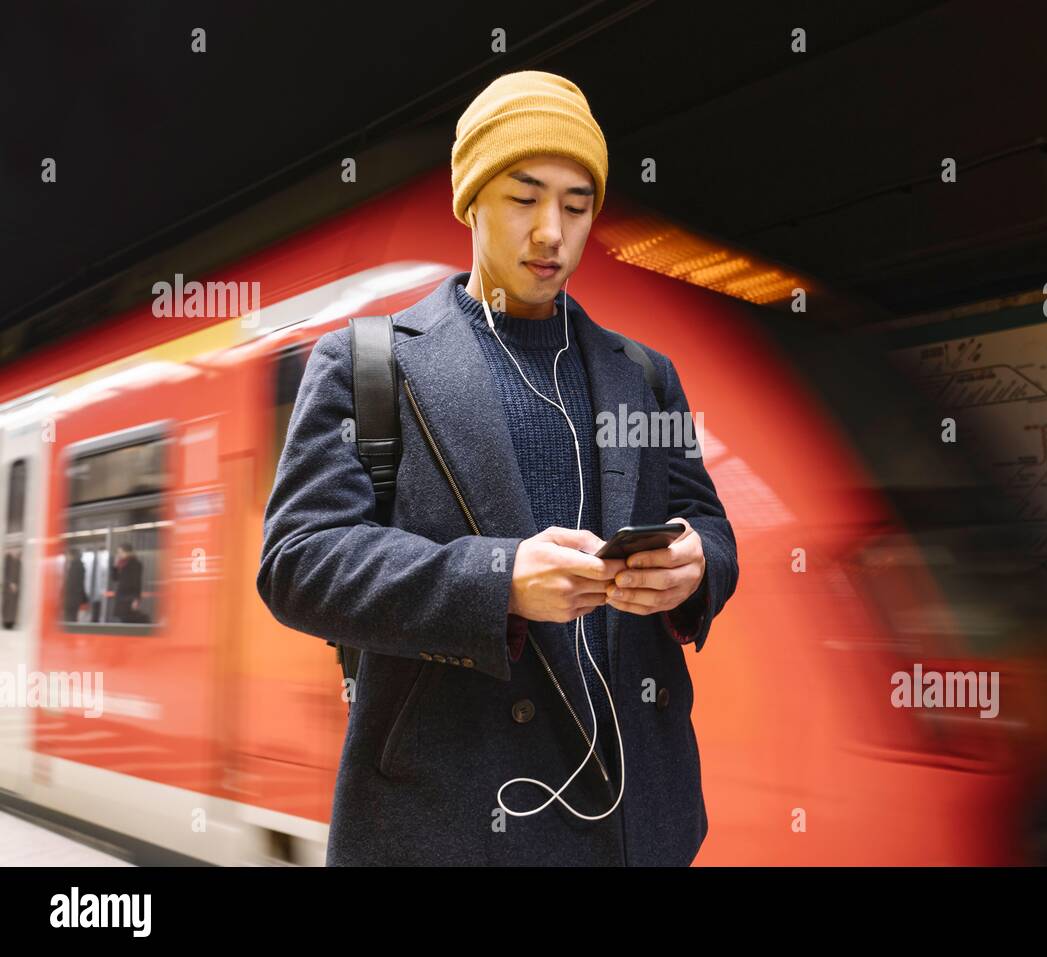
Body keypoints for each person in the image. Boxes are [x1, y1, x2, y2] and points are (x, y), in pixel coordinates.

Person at [257, 70, 739, 866]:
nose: (553, 231)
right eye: (524, 197)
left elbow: (709, 523)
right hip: (452, 819)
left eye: (578, 205)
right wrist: (499, 579)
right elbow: (297, 561)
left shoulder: (644, 375)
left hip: (631, 827)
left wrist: (696, 565)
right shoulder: (368, 362)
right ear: (472, 201)